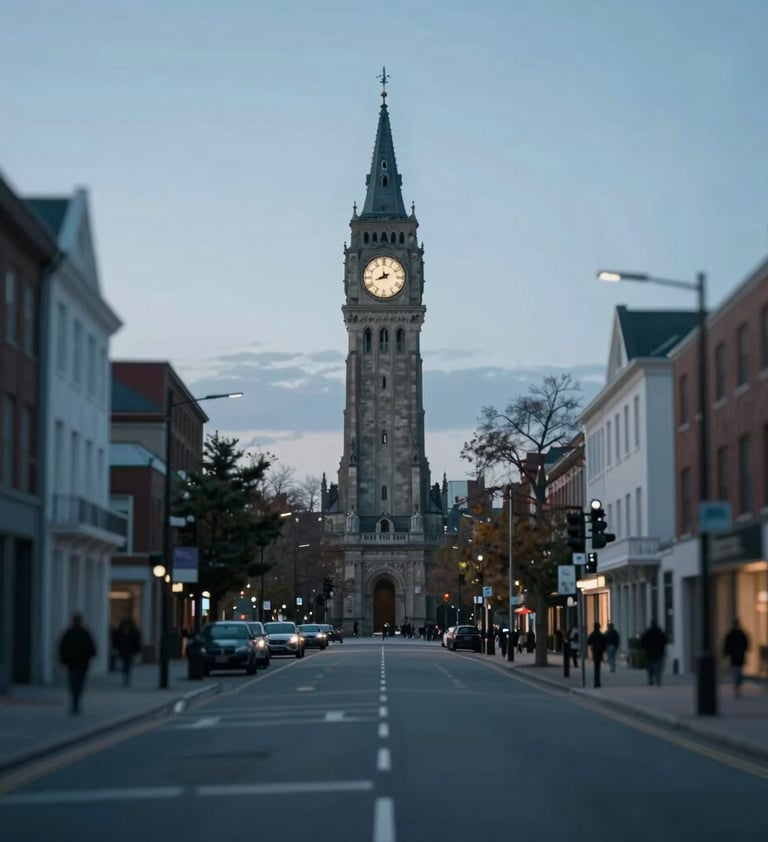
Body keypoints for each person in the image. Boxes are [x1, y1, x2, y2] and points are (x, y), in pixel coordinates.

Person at [59, 613, 97, 714]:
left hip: (74, 663)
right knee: (78, 683)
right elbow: (92, 648)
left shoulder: (70, 633)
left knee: (74, 683)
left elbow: (62, 647)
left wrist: (63, 660)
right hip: (80, 663)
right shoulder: (83, 633)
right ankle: (76, 700)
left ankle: (75, 700)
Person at [723, 618, 749, 697]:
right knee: (739, 671)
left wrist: (726, 653)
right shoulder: (741, 634)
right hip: (739, 656)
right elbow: (746, 644)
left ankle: (737, 685)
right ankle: (737, 685)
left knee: (736, 671)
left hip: (735, 656)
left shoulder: (732, 634)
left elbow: (727, 645)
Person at [114, 616, 142, 686]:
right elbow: (116, 640)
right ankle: (125, 675)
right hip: (123, 650)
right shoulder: (120, 631)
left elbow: (137, 641)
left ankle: (126, 676)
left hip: (130, 650)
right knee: (125, 663)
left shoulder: (133, 631)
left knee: (128, 663)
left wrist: (137, 650)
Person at [640, 619, 668, 686]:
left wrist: (643, 648)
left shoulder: (648, 632)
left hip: (649, 653)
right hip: (659, 652)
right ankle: (658, 679)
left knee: (650, 667)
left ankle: (650, 678)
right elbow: (664, 641)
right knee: (658, 667)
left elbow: (643, 642)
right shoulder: (660, 632)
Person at [587, 622, 606, 688]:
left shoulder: (592, 634)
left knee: (596, 667)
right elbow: (604, 644)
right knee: (598, 667)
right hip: (600, 652)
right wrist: (603, 650)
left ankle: (596, 682)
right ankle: (598, 681)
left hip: (595, 652)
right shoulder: (601, 635)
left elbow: (588, 642)